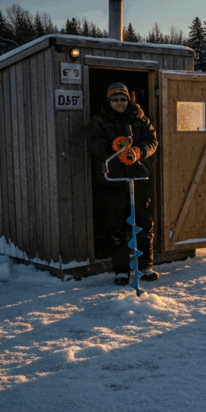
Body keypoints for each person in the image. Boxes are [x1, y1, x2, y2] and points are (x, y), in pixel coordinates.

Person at [88, 82, 159, 285]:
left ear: (129, 99)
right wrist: (111, 146)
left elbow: (152, 141)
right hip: (112, 179)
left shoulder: (141, 118)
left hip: (139, 177)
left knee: (144, 223)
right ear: (108, 101)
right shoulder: (99, 120)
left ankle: (145, 266)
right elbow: (93, 144)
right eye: (115, 99)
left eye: (122, 99)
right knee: (115, 226)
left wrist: (139, 151)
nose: (119, 103)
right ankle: (121, 270)